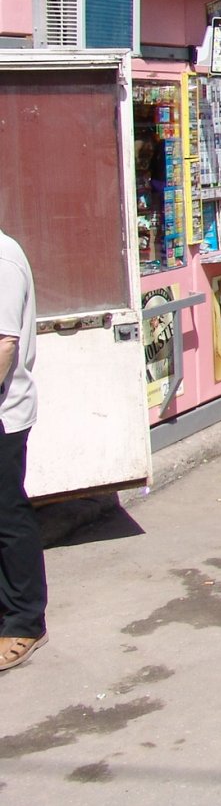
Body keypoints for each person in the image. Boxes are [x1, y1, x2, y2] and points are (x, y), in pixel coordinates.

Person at [0, 228, 46, 671]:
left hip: (3, 414)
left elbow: (4, 344)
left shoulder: (2, 259)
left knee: (6, 515)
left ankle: (25, 622)